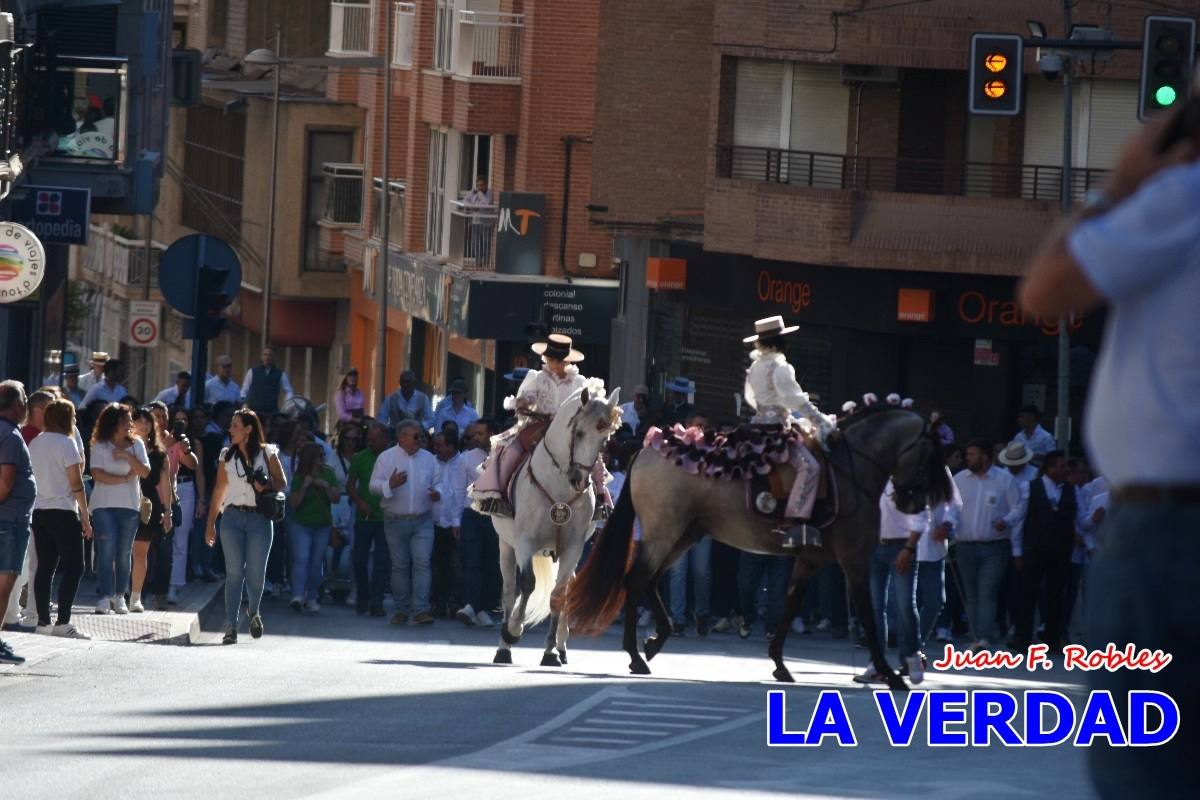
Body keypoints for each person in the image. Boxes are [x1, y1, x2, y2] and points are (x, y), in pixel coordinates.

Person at [471, 333, 608, 519]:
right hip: (538, 427)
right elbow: (521, 403)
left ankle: (601, 499)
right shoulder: (535, 377)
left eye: (560, 360)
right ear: (546, 358)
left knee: (592, 457)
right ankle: (498, 497)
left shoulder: (580, 382)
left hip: (571, 431)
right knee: (511, 450)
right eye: (552, 359)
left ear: (567, 361)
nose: (556, 364)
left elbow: (590, 409)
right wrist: (524, 403)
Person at [742, 316, 838, 549]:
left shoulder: (755, 367)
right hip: (776, 430)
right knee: (810, 467)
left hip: (757, 427)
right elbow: (796, 402)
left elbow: (751, 399)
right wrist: (823, 422)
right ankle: (794, 519)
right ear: (780, 341)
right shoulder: (781, 367)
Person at [205, 409, 287, 644]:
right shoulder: (226, 455)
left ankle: (254, 611)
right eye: (231, 426)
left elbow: (282, 483)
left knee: (256, 573)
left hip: (259, 519)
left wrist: (267, 485)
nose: (230, 430)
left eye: (235, 426)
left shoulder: (267, 452)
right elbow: (219, 490)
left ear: (249, 429)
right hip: (231, 518)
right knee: (234, 573)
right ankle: (231, 626)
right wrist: (210, 523)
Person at [951, 439, 1024, 653]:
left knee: (987, 592)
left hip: (995, 545)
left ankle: (983, 638)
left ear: (985, 456)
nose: (968, 458)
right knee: (971, 594)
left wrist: (1007, 521)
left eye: (972, 454)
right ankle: (976, 636)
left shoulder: (1005, 480)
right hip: (965, 545)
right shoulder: (959, 479)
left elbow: (1019, 508)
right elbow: (950, 507)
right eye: (967, 454)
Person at [370, 420, 445, 625]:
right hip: (395, 520)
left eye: (421, 436)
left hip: (423, 520)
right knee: (400, 566)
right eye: (415, 436)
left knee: (422, 563)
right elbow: (373, 486)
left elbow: (439, 482)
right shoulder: (386, 458)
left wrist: (438, 493)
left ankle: (421, 610)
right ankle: (401, 610)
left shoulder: (429, 459)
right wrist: (390, 484)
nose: (420, 440)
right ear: (401, 437)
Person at [28, 399, 92, 638]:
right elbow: (76, 483)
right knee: (75, 566)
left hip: (39, 510)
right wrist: (85, 517)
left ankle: (43, 622)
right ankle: (63, 622)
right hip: (64, 511)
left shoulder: (35, 443)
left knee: (45, 567)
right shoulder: (67, 443)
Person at [89, 403, 151, 615]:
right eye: (126, 420)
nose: (131, 424)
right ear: (115, 423)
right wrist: (125, 477)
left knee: (124, 553)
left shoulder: (137, 445)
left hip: (129, 507)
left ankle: (120, 596)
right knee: (106, 551)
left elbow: (144, 472)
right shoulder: (100, 445)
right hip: (103, 506)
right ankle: (105, 597)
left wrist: (126, 457)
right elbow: (97, 475)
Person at [0, 382, 37, 664]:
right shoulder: (11, 437)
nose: (27, 405)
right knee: (3, 584)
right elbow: (5, 483)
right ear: (15, 405)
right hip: (9, 522)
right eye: (24, 399)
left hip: (9, 520)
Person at [286, 442, 341, 614]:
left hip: (322, 525)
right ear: (311, 459)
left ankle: (312, 597)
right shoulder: (299, 477)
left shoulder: (329, 473)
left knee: (316, 563)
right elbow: (294, 503)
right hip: (301, 524)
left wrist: (325, 486)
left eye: (323, 455)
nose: (323, 458)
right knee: (301, 558)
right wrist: (304, 487)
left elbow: (336, 499)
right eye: (320, 456)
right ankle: (297, 595)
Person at [129, 407, 174, 613]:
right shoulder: (125, 447)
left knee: (141, 552)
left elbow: (165, 484)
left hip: (149, 504)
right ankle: (116, 593)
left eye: (147, 421)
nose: (144, 424)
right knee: (119, 553)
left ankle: (136, 596)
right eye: (139, 420)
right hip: (125, 500)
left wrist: (168, 511)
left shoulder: (159, 453)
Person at [455, 421, 497, 627]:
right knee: (472, 561)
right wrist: (455, 520)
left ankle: (482, 608)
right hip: (471, 513)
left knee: (492, 564)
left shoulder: (504, 455)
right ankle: (471, 605)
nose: (477, 438)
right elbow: (458, 490)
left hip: (496, 515)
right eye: (474, 434)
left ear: (492, 433)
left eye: (481, 433)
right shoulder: (465, 459)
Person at [347, 423, 391, 616]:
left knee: (382, 560)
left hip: (385, 517)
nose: (370, 443)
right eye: (369, 439)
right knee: (359, 559)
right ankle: (363, 596)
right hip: (364, 516)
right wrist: (359, 502)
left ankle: (377, 601)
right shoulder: (359, 458)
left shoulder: (392, 458)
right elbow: (350, 485)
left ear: (385, 439)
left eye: (374, 439)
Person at [241, 346, 294, 418]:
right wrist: (244, 403)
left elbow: (289, 391)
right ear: (262, 356)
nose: (267, 357)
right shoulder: (252, 372)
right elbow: (244, 390)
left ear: (273, 357)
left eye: (270, 355)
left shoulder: (280, 374)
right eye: (265, 354)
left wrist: (286, 405)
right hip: (254, 413)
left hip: (272, 413)